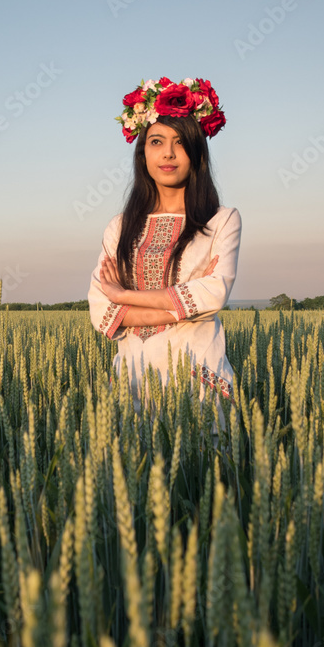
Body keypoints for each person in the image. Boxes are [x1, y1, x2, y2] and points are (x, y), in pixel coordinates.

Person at [87, 76, 242, 442]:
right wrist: (184, 301)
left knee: (203, 483)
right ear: (143, 153)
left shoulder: (222, 220)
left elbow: (214, 294)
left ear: (197, 154)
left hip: (198, 375)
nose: (168, 154)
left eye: (180, 144)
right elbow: (98, 311)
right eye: (156, 142)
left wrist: (123, 297)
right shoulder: (119, 227)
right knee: (132, 485)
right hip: (132, 378)